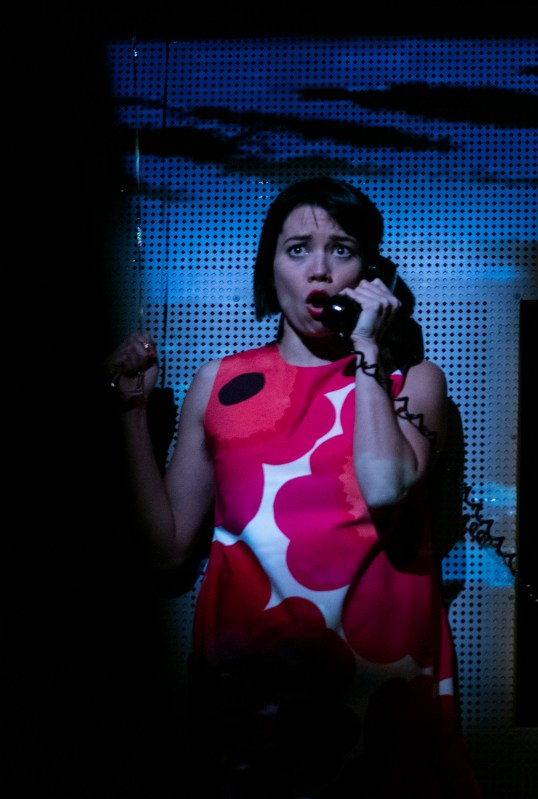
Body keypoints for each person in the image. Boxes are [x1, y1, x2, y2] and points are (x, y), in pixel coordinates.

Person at [107, 177, 481, 796]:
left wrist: (368, 350)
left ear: (371, 275)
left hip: (380, 692)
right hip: (249, 694)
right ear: (271, 268)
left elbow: (385, 487)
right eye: (298, 248)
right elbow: (166, 547)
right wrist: (130, 410)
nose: (320, 270)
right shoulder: (220, 384)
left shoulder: (412, 383)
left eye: (342, 250)